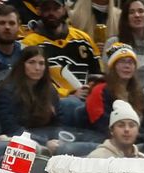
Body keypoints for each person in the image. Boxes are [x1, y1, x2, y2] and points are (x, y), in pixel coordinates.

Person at [20, 0, 104, 129]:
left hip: (88, 100)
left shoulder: (83, 38)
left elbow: (98, 73)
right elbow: (29, 83)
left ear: (64, 9)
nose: (51, 13)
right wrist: (69, 93)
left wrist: (91, 89)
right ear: (39, 11)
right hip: (52, 104)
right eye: (46, 9)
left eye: (55, 8)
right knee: (70, 104)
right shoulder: (29, 43)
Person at [86, 42, 144, 134]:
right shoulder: (99, 89)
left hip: (135, 139)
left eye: (130, 62)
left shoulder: (139, 93)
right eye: (122, 62)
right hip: (105, 139)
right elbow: (100, 123)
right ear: (113, 67)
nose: (127, 66)